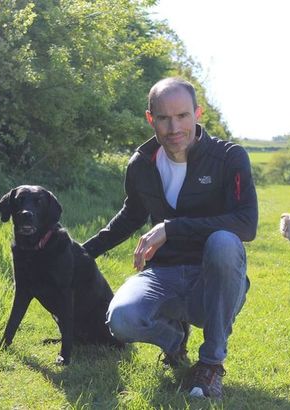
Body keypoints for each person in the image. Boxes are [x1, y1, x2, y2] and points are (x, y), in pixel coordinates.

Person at [83, 77, 258, 399]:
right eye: (163, 118)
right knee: (121, 319)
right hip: (163, 273)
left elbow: (246, 225)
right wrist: (82, 252)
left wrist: (172, 228)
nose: (174, 127)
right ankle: (175, 340)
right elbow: (132, 215)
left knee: (224, 242)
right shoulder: (142, 164)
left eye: (182, 116)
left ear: (197, 113)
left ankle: (211, 364)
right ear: (150, 118)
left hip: (213, 280)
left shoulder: (229, 158)